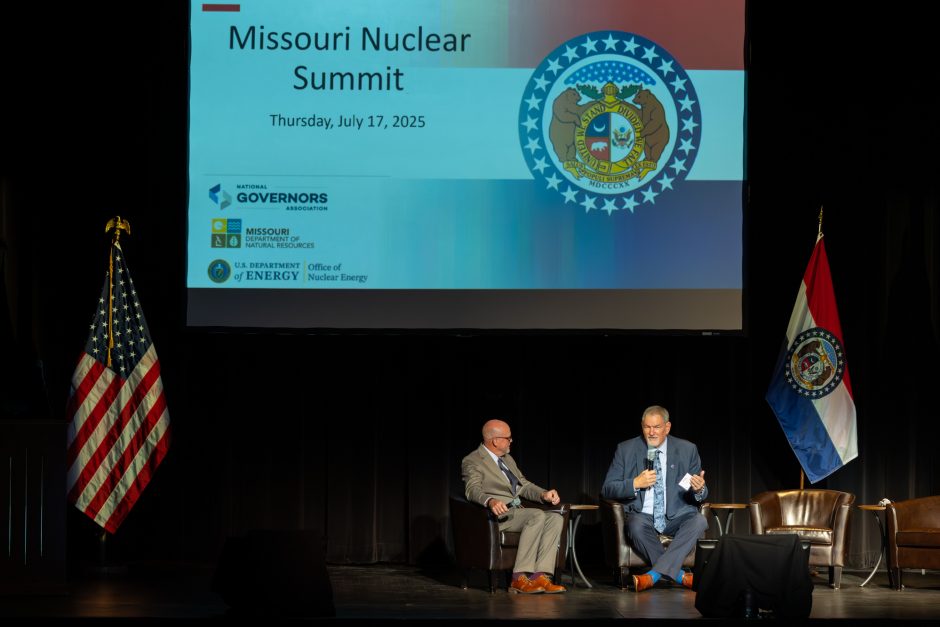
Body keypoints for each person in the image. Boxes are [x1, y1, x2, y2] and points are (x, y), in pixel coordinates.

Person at [601, 405, 708, 592]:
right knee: (634, 525)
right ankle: (680, 575)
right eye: (646, 427)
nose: (651, 432)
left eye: (656, 427)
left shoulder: (687, 449)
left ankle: (653, 575)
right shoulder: (626, 449)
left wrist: (699, 489)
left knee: (699, 521)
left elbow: (695, 490)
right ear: (642, 426)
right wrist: (635, 483)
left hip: (677, 515)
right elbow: (607, 489)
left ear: (667, 428)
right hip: (643, 516)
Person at [461, 419, 567, 594]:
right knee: (536, 515)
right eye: (508, 438)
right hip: (497, 516)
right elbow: (472, 490)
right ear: (495, 440)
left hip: (518, 514)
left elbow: (523, 485)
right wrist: (490, 501)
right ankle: (519, 578)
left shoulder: (507, 459)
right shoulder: (473, 460)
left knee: (555, 518)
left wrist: (543, 494)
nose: (512, 441)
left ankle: (540, 576)